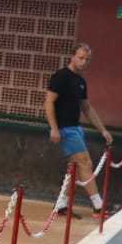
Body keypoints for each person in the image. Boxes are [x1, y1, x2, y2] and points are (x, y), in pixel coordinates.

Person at [45, 43, 113, 218]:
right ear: (73, 56)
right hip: (64, 128)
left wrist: (103, 130)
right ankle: (98, 206)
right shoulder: (61, 76)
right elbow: (49, 102)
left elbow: (87, 108)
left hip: (76, 128)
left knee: (74, 167)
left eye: (87, 59)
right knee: (85, 162)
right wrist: (54, 128)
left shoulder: (81, 82)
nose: (84, 62)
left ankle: (61, 205)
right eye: (81, 58)